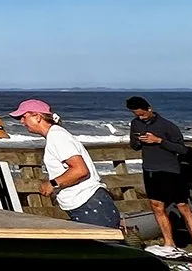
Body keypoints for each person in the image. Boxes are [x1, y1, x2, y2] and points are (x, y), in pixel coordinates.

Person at [11, 99, 121, 231]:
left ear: (38, 117)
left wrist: (52, 184)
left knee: (103, 249)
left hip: (90, 205)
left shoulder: (57, 136)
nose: (22, 122)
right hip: (88, 205)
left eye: (23, 117)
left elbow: (80, 170)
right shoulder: (56, 135)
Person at [125, 96, 192, 258]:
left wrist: (159, 140)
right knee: (156, 206)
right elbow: (134, 146)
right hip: (150, 170)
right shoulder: (135, 124)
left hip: (171, 171)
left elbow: (182, 150)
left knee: (183, 207)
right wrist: (138, 141)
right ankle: (169, 242)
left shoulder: (168, 126)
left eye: (142, 115)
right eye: (136, 115)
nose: (140, 117)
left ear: (149, 109)